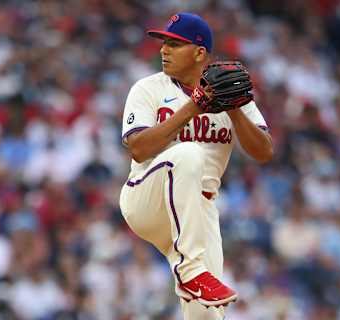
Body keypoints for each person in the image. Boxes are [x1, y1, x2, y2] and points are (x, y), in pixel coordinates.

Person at [119, 12, 273, 319]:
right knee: (189, 154)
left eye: (174, 44)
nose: (163, 49)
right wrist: (194, 106)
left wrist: (234, 110)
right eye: (163, 42)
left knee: (207, 315)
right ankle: (190, 270)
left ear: (199, 52)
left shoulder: (233, 95)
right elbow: (138, 148)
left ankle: (193, 275)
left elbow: (264, 152)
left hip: (198, 212)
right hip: (148, 196)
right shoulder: (148, 89)